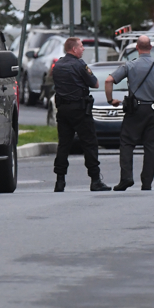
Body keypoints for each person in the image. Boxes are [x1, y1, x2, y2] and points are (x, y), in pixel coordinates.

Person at [105, 35, 154, 191]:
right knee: (150, 146)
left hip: (135, 110)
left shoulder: (130, 66)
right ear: (150, 48)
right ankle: (147, 182)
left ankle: (126, 178)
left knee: (127, 142)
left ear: (137, 48)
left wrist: (111, 100)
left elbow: (109, 80)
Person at [51, 37, 111, 192]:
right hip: (80, 110)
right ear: (74, 49)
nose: (83, 49)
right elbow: (95, 83)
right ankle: (95, 180)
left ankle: (60, 181)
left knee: (64, 145)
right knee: (90, 144)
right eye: (81, 46)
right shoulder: (79, 64)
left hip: (63, 110)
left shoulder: (57, 65)